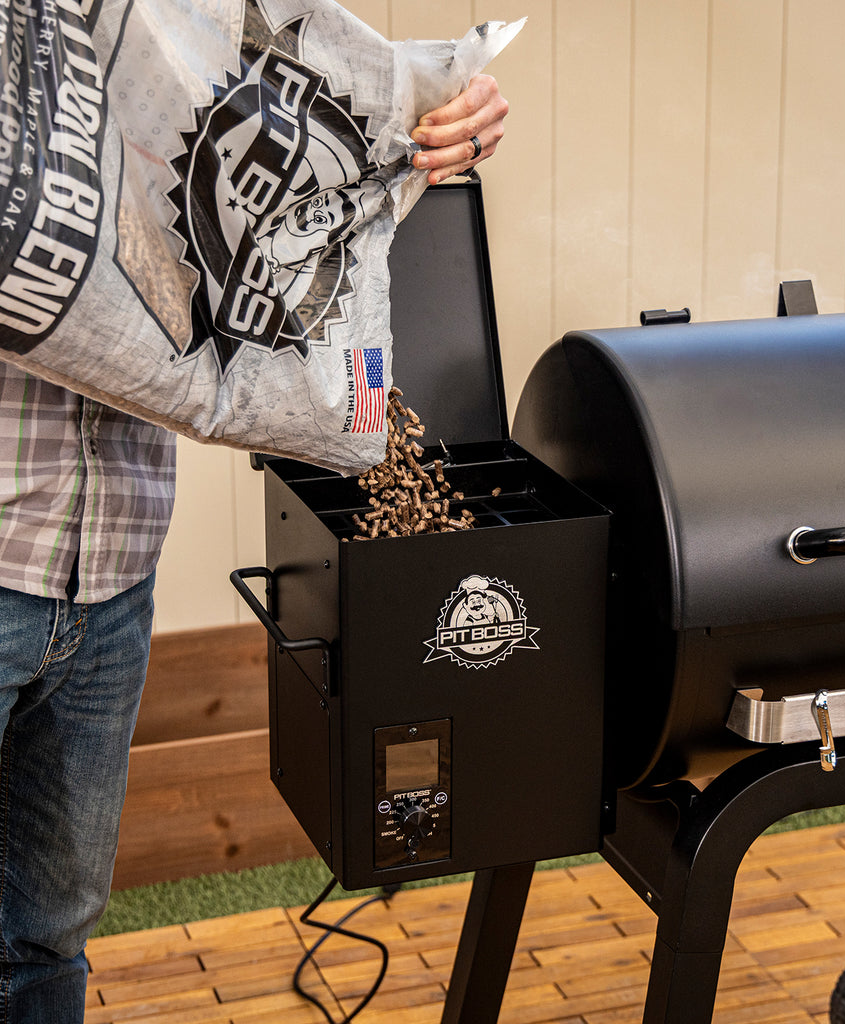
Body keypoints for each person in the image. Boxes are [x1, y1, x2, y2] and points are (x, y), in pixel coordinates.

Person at [0, 73, 509, 1024]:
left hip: (113, 561)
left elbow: (281, 143)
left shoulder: (162, 50)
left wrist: (433, 114)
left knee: (49, 935)